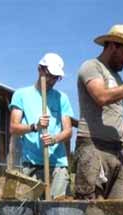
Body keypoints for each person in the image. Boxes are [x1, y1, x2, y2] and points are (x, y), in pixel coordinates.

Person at [74, 24, 123, 200]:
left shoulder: (118, 79)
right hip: (93, 147)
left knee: (118, 214)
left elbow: (118, 117)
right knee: (91, 209)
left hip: (118, 152)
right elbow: (101, 97)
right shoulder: (91, 67)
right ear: (112, 46)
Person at [9, 53, 74, 199]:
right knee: (28, 209)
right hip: (31, 163)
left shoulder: (62, 98)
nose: (52, 81)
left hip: (57, 164)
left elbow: (68, 131)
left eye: (56, 77)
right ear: (40, 69)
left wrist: (54, 139)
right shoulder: (21, 95)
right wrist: (34, 126)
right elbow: (13, 128)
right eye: (50, 75)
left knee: (57, 209)